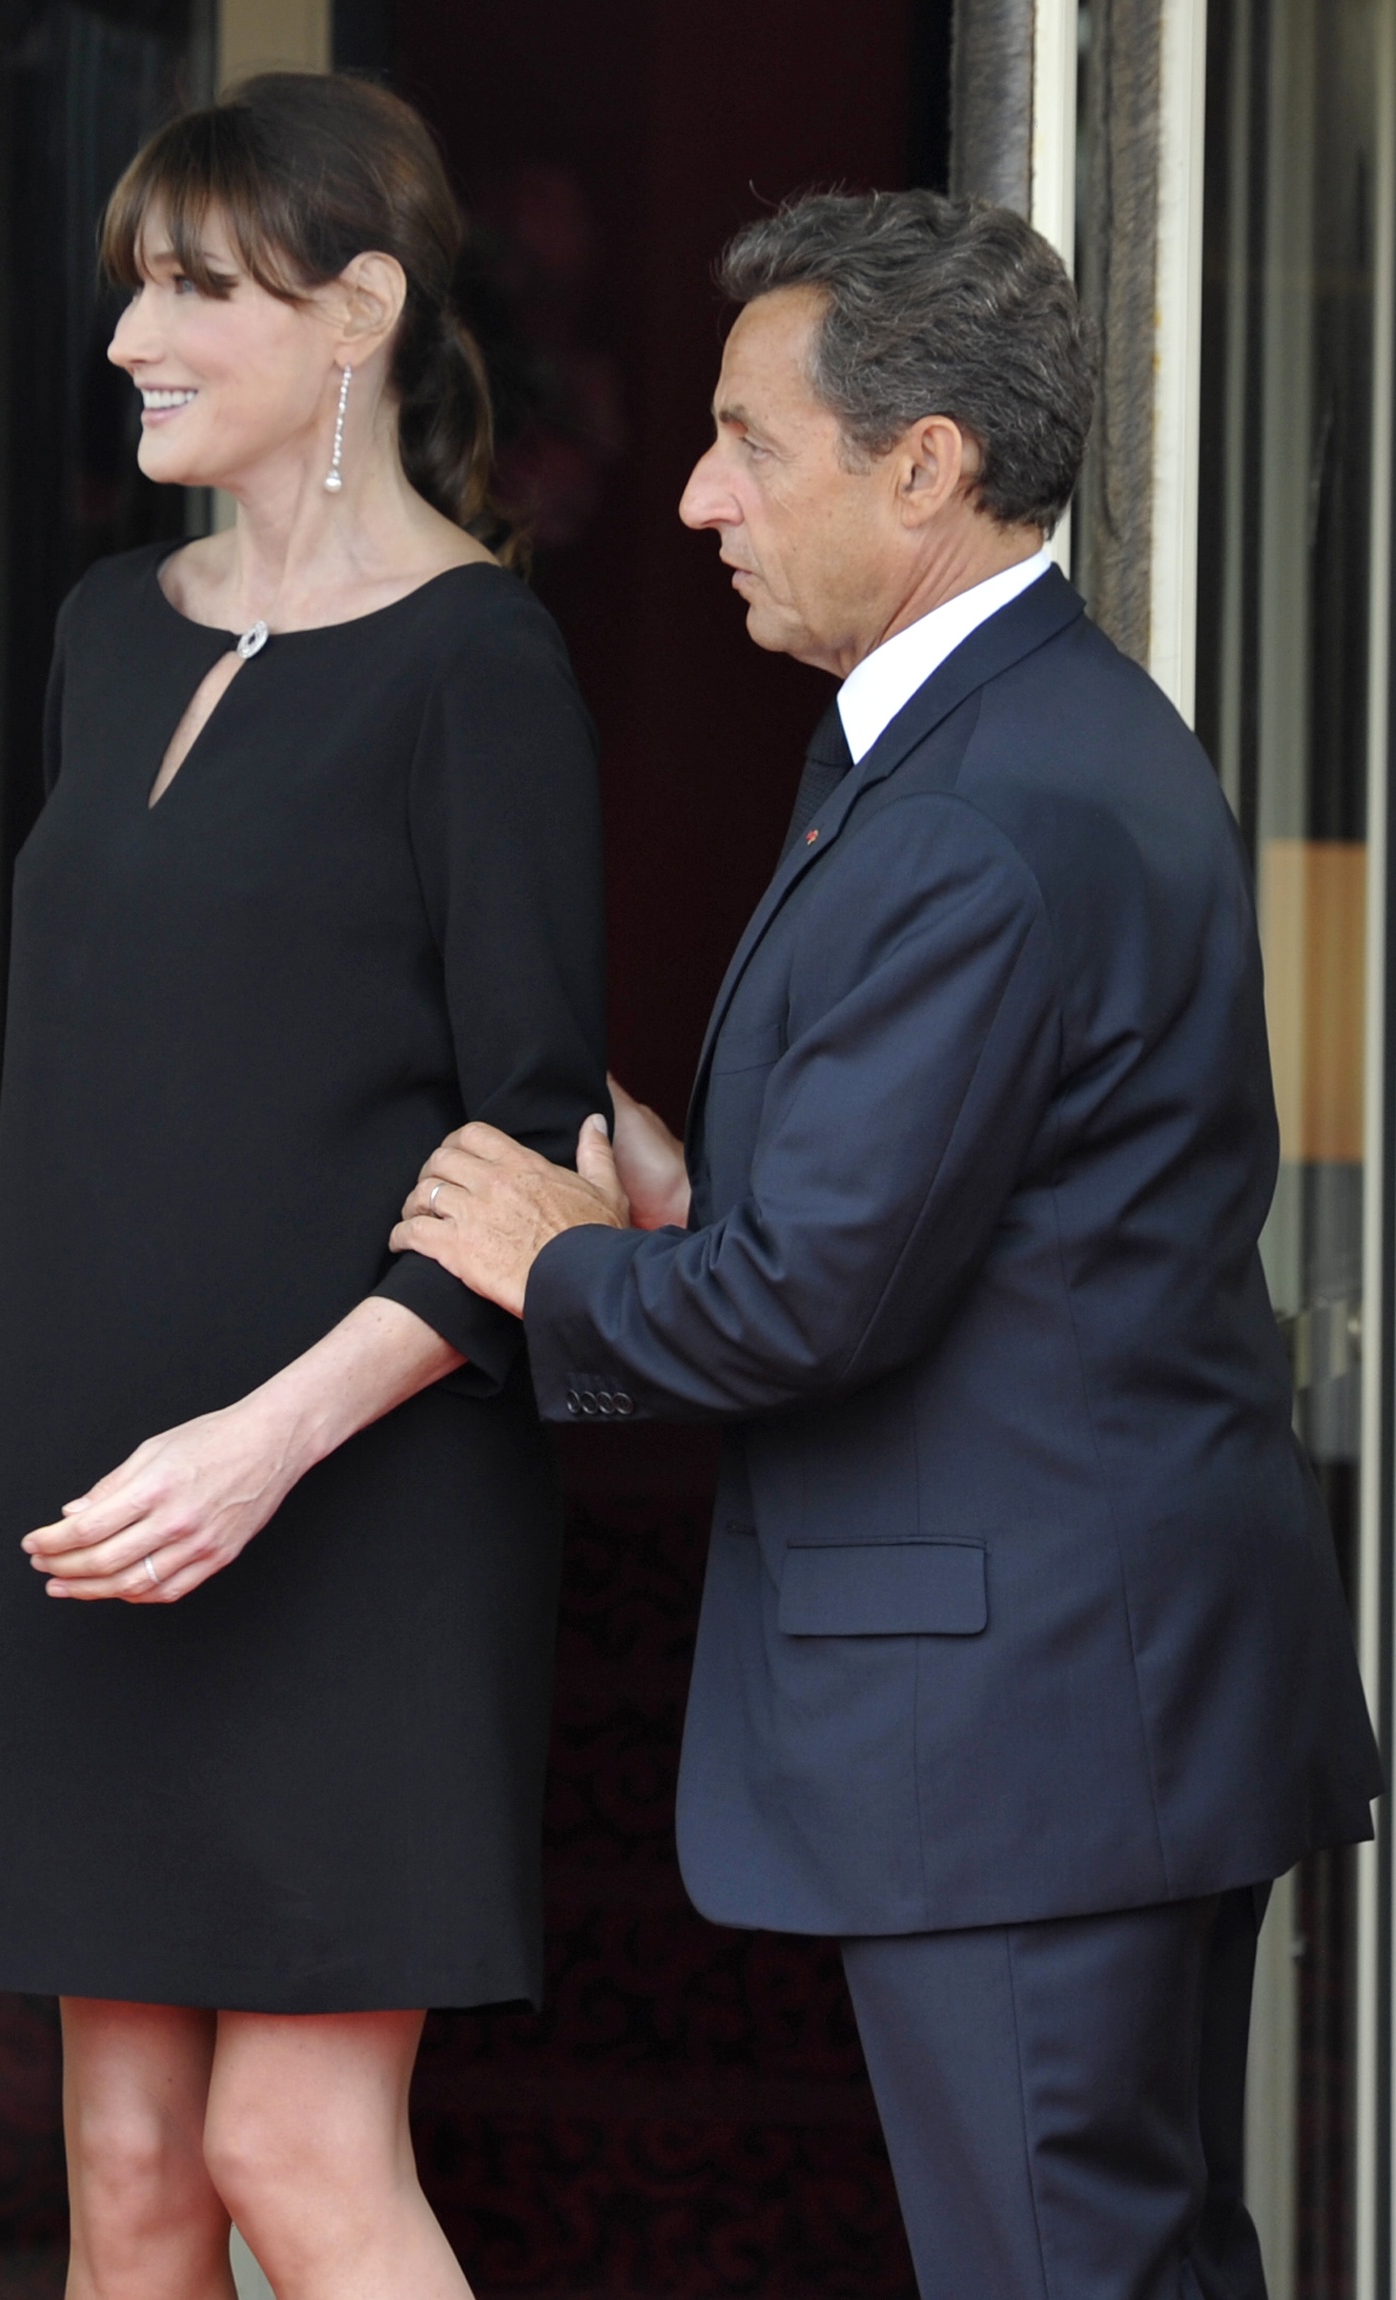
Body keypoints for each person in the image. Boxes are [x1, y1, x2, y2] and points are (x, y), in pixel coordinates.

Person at [391, 191, 1382, 2299]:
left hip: (1035, 1729)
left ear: (923, 464)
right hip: (1096, 1702)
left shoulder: (972, 805)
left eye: (749, 440)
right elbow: (975, 1217)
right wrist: (689, 1208)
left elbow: (805, 1307)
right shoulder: (1008, 731)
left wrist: (555, 1256)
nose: (696, 494)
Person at [0, 72, 607, 2300]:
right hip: (97, 1505)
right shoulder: (109, 630)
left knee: (290, 2148)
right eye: (136, 287)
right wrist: (113, 1472)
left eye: (195, 287)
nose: (132, 337)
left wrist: (264, 1446)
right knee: (126, 2175)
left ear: (359, 312)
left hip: (350, 1500)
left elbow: (534, 1154)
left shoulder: (482, 662)